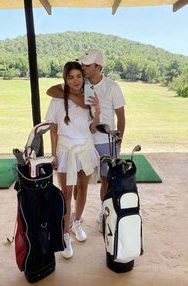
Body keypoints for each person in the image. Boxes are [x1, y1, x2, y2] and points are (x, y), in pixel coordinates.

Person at [47, 49, 125, 232]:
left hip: (104, 140)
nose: (82, 68)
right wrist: (76, 98)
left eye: (86, 66)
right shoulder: (82, 84)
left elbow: (120, 115)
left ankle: (101, 213)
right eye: (81, 66)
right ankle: (72, 222)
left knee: (105, 180)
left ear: (98, 67)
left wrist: (119, 137)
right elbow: (52, 90)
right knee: (73, 187)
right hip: (84, 141)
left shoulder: (111, 86)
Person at [45, 61, 100, 258]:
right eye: (71, 77)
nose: (76, 80)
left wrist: (98, 113)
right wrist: (53, 153)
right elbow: (53, 129)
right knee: (66, 193)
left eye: (79, 76)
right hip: (66, 151)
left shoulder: (89, 98)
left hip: (85, 148)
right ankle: (66, 235)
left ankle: (77, 222)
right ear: (65, 79)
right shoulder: (57, 99)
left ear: (83, 77)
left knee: (82, 188)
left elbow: (93, 129)